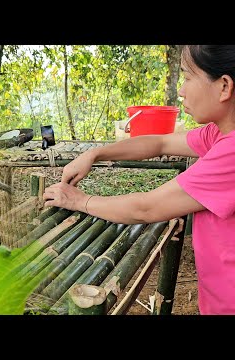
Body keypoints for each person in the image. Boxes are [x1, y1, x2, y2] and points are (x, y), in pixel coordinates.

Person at [43, 45, 235, 315]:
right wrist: (96, 153)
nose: (181, 91)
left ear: (224, 86)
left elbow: (146, 207)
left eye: (188, 77)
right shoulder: (218, 134)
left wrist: (79, 199)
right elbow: (160, 142)